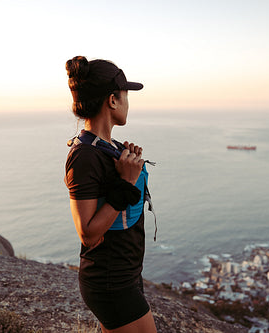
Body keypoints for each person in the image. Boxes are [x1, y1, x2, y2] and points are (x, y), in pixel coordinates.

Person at [64, 56, 157, 333]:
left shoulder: (108, 147)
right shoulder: (85, 156)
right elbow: (88, 234)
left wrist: (130, 166)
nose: (128, 102)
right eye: (126, 94)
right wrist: (126, 184)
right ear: (112, 100)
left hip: (125, 274)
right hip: (110, 280)